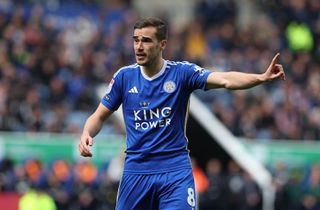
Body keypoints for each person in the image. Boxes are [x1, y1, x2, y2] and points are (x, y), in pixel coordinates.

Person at [78, 17, 285, 210]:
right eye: (136, 40)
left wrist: (260, 78)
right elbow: (98, 116)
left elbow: (225, 79)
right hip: (136, 171)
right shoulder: (124, 77)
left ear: (162, 44)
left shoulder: (181, 73)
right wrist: (87, 132)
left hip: (175, 171)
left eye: (147, 41)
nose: (139, 47)